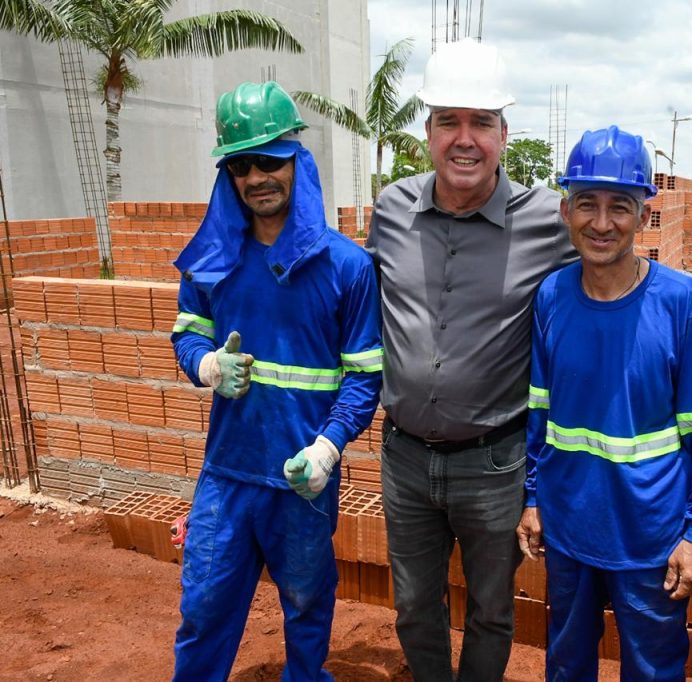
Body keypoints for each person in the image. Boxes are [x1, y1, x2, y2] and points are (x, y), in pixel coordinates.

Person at [365, 38, 577, 681]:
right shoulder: (392, 210)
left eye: (481, 122)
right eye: (448, 121)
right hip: (404, 457)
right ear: (427, 133)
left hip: (494, 461)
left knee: (491, 610)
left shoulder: (549, 221)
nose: (465, 139)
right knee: (413, 607)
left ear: (504, 134)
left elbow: (613, 272)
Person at [170, 81, 383, 681]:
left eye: (270, 160)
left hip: (302, 479)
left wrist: (328, 449)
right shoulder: (212, 261)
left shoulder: (347, 267)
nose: (257, 177)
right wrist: (207, 365)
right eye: (241, 165)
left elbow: (364, 377)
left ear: (296, 161)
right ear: (229, 175)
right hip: (228, 472)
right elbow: (187, 337)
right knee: (204, 607)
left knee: (307, 603)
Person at [515, 126, 692, 681]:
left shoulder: (679, 302)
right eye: (587, 203)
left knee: (653, 669)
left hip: (650, 533)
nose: (602, 223)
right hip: (568, 524)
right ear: (566, 211)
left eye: (620, 207)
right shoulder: (553, 295)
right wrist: (533, 499)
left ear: (644, 216)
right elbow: (540, 413)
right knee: (566, 663)